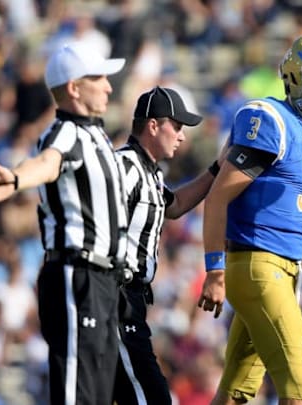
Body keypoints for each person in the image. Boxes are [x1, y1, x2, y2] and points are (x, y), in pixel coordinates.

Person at [197, 33, 302, 404]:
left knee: (237, 388)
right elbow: (218, 197)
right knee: (299, 388)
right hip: (256, 264)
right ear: (297, 80)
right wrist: (214, 270)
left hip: (282, 269)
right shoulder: (270, 121)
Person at [0, 43, 129, 405]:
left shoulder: (97, 136)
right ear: (74, 87)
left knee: (101, 391)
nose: (108, 86)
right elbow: (46, 161)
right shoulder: (66, 132)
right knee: (79, 389)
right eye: (99, 78)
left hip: (104, 279)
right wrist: (15, 179)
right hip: (79, 273)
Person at [113, 86, 221, 404]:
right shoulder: (124, 167)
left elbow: (174, 206)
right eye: (177, 126)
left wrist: (218, 169)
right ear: (153, 126)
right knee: (152, 396)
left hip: (130, 301)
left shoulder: (150, 173)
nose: (182, 136)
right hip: (116, 298)